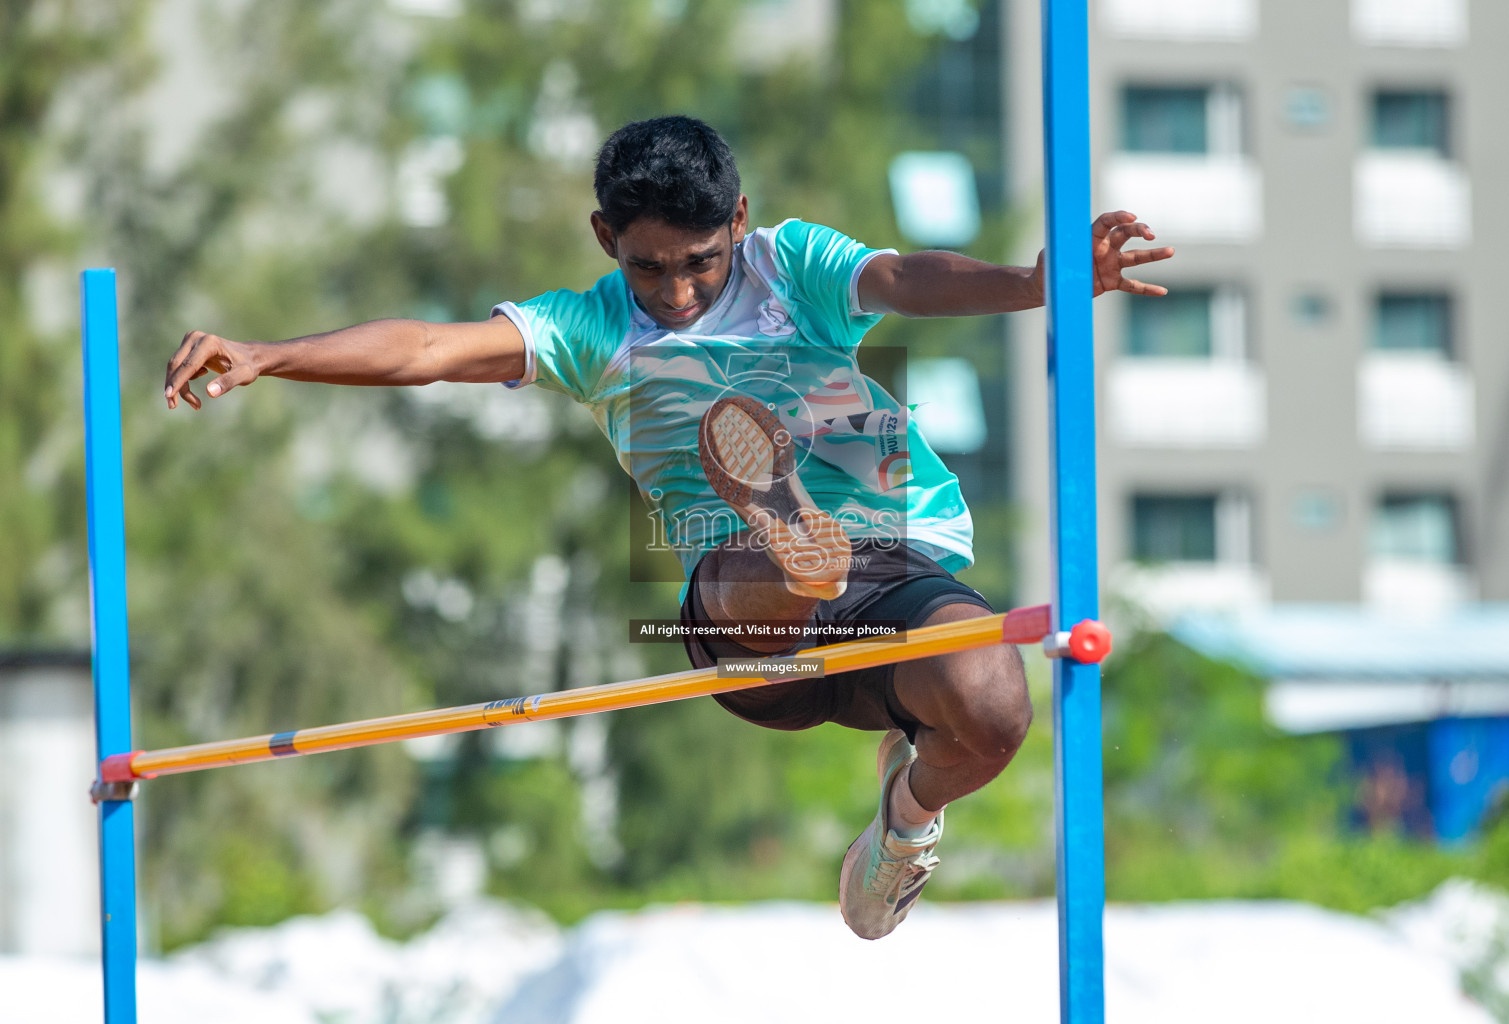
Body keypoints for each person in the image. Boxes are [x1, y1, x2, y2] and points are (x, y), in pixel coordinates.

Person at [163, 115, 1172, 940]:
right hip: (752, 612)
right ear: (607, 239)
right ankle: (788, 536)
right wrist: (271, 353)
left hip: (902, 555)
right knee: (756, 567)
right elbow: (428, 344)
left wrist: (1034, 284)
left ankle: (904, 823)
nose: (680, 293)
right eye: (651, 269)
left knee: (993, 704)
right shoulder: (590, 327)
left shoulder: (792, 265)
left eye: (701, 262)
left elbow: (906, 278)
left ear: (739, 219)